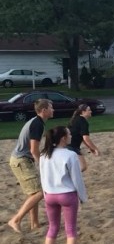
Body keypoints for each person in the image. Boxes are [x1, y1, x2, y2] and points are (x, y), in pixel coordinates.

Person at [7, 99, 54, 233]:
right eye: (51, 108)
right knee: (40, 192)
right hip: (21, 161)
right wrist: (42, 165)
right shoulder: (37, 124)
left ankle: (35, 224)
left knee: (34, 192)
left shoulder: (37, 121)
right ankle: (15, 220)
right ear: (44, 110)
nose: (53, 110)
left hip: (22, 160)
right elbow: (34, 150)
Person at [40, 126, 88, 244]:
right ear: (63, 138)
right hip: (67, 195)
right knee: (70, 229)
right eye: (69, 134)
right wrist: (82, 197)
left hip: (50, 195)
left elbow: (43, 176)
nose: (71, 136)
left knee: (52, 228)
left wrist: (45, 193)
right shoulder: (70, 155)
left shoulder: (44, 155)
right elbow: (77, 179)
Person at [68, 104, 101, 172]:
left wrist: (90, 148)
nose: (91, 111)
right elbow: (86, 138)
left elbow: (82, 138)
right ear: (83, 112)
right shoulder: (83, 122)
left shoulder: (76, 119)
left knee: (80, 166)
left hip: (67, 145)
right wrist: (95, 149)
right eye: (89, 110)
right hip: (71, 146)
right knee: (83, 167)